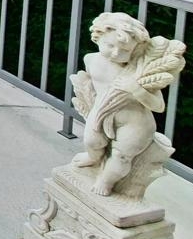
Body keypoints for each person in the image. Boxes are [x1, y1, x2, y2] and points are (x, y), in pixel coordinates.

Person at [70, 12, 185, 196]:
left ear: (136, 49)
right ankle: (93, 158)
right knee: (92, 141)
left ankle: (107, 180)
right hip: (102, 113)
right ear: (97, 36)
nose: (116, 53)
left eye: (125, 51)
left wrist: (136, 89)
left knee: (122, 157)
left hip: (136, 123)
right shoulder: (91, 60)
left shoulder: (140, 72)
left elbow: (159, 106)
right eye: (109, 45)